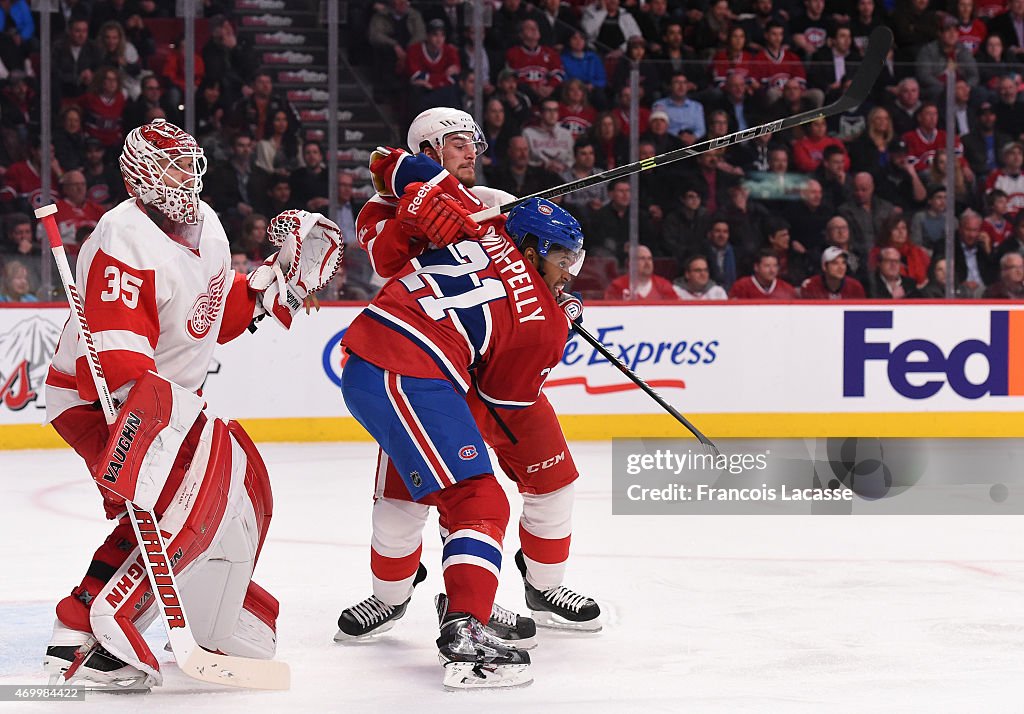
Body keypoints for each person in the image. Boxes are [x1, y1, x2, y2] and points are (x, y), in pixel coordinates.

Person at [41, 119, 342, 691]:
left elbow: (206, 319)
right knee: (169, 507)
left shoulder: (206, 224)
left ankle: (75, 623)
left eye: (189, 163)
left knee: (155, 515)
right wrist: (156, 430)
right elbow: (119, 359)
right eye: (173, 166)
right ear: (142, 178)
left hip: (169, 400)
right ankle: (105, 625)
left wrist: (268, 289)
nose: (187, 176)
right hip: (100, 400)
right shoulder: (121, 238)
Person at [338, 108, 601, 663]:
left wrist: (559, 300)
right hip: (437, 366)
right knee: (407, 499)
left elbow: (541, 263)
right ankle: (394, 595)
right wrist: (417, 217)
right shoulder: (379, 209)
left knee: (551, 481)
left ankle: (543, 586)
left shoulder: (490, 200)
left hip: (499, 367)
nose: (471, 152)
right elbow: (387, 240)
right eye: (459, 143)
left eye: (474, 143)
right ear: (430, 149)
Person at [603, 244, 679, 300]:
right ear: (631, 263)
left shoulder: (663, 286)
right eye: (642, 258)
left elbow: (676, 310)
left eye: (649, 259)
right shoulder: (617, 286)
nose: (647, 263)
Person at [800, 246, 867, 299]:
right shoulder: (811, 286)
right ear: (824, 266)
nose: (841, 267)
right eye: (835, 263)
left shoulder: (855, 287)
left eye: (843, 263)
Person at [729, 249, 798, 299]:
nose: (772, 270)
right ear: (756, 267)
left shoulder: (787, 289)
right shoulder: (741, 287)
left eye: (775, 266)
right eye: (767, 266)